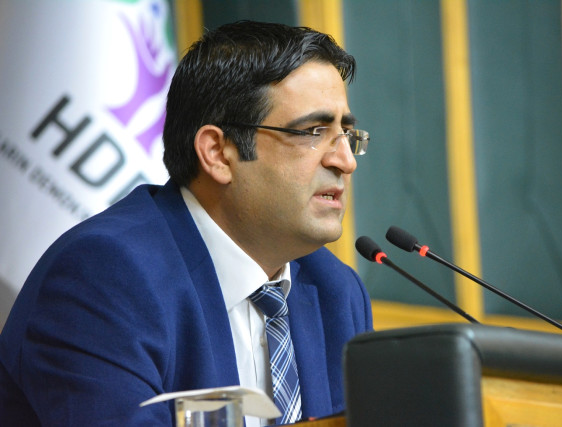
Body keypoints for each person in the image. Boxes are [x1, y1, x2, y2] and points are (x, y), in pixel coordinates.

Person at [0, 21, 373, 426]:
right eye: (313, 132)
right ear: (218, 152)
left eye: (346, 133)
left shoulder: (336, 291)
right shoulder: (105, 276)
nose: (345, 161)